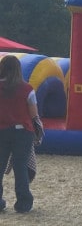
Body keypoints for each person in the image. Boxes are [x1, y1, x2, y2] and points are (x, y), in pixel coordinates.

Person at [0, 55, 43, 213]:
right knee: (20, 168)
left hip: (1, 131)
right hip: (22, 133)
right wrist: (38, 133)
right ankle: (23, 204)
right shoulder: (27, 89)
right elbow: (34, 115)